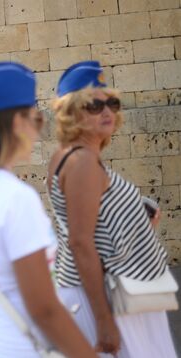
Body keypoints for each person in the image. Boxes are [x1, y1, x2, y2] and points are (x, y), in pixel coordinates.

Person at [0, 62, 96, 357]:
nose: (39, 128)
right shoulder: (15, 197)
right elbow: (45, 309)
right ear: (17, 123)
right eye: (36, 118)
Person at [47, 61, 177, 357]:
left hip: (114, 293)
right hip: (107, 298)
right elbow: (80, 242)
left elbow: (94, 228)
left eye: (112, 103)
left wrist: (136, 222)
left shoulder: (70, 156)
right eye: (94, 105)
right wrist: (104, 320)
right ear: (72, 111)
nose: (107, 111)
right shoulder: (82, 162)